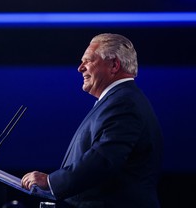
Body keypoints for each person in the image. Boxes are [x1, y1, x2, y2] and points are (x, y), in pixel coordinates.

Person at [21, 33, 163, 208]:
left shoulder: (124, 102)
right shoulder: (117, 100)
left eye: (88, 61)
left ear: (114, 65)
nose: (80, 68)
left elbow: (103, 160)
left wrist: (51, 182)